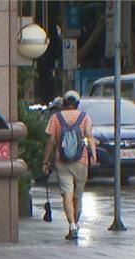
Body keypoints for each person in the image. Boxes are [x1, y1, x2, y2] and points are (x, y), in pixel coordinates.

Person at [42, 90, 97, 241]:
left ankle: (72, 225)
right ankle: (76, 224)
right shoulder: (84, 117)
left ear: (64, 103)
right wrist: (93, 155)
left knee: (67, 194)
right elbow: (90, 137)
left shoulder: (56, 118)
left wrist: (45, 161)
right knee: (78, 196)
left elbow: (51, 141)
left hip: (62, 161)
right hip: (82, 161)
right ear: (77, 103)